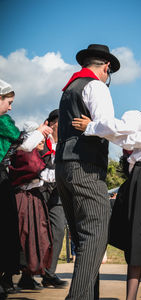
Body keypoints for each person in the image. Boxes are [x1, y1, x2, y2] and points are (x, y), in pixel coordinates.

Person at [55, 44, 141, 300]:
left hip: (63, 167)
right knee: (96, 236)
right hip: (85, 167)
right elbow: (108, 126)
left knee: (84, 240)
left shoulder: (68, 90)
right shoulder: (96, 86)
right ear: (106, 67)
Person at [72, 74, 141, 300]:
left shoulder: (136, 116)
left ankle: (130, 297)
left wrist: (90, 126)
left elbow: (117, 130)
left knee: (139, 237)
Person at [0, 79, 52, 298]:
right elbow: (25, 144)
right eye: (8, 102)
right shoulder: (3, 121)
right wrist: (40, 131)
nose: (10, 107)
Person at [39, 109, 68, 288]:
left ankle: (49, 274)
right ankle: (24, 273)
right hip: (38, 190)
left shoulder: (66, 144)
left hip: (58, 192)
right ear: (50, 123)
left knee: (58, 230)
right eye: (59, 121)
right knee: (34, 231)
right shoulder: (41, 140)